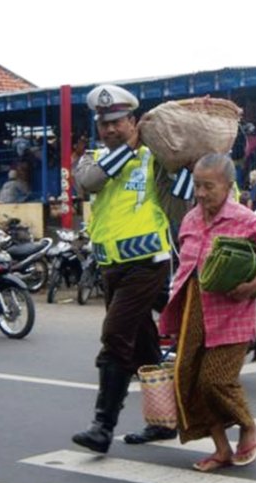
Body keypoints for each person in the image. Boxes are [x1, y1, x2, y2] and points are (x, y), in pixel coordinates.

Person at [159, 153, 256, 472]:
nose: (202, 193)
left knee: (216, 380)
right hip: (193, 307)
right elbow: (185, 271)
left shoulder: (243, 218)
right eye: (197, 186)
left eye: (209, 186)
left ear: (229, 186)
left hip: (232, 312)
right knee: (190, 379)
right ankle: (221, 449)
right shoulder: (191, 219)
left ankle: (250, 427)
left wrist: (253, 285)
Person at [71, 83, 182, 454]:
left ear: (134, 121)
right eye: (105, 124)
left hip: (147, 265)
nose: (111, 130)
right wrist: (129, 149)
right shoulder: (90, 161)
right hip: (111, 268)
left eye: (118, 122)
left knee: (116, 338)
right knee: (145, 348)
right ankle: (165, 421)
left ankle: (102, 426)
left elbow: (180, 196)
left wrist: (193, 161)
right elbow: (88, 183)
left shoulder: (154, 159)